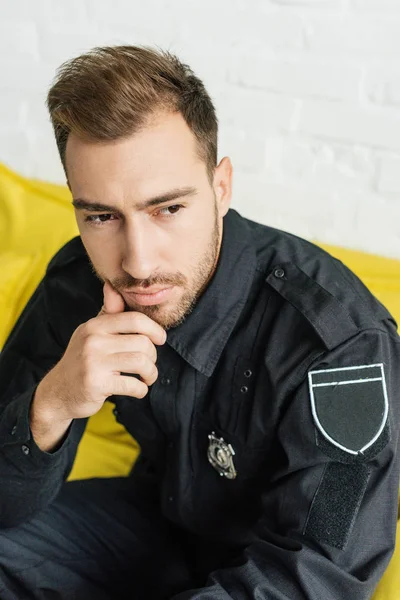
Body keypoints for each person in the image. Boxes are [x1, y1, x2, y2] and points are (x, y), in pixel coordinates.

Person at [0, 45, 398, 600]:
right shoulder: (80, 283)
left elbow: (319, 574)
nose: (137, 263)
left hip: (270, 561)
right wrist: (53, 404)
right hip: (156, 524)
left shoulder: (339, 341)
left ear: (221, 187)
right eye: (101, 216)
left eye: (168, 209)